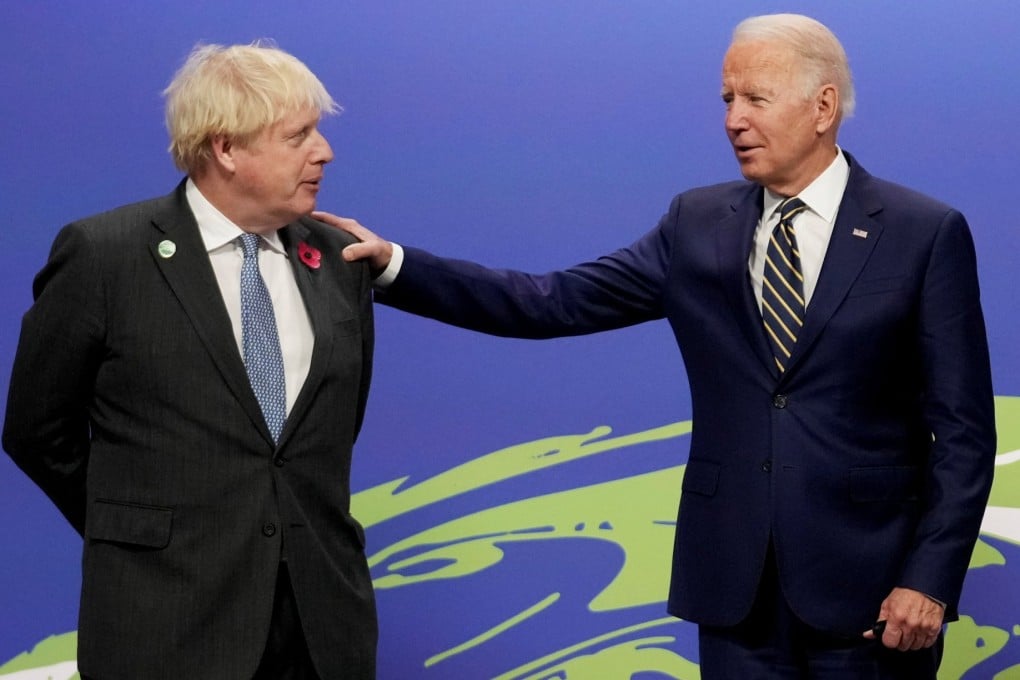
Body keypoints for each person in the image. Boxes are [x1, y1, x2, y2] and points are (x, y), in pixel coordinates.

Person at [315, 13, 996, 679]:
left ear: (822, 107)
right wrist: (395, 265)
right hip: (735, 597)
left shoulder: (921, 233)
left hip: (872, 598)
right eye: (727, 99)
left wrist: (930, 581)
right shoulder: (697, 224)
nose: (733, 120)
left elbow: (964, 434)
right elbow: (550, 300)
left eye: (756, 99)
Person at [3, 43, 376, 679]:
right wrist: (142, 533)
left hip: (320, 632)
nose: (324, 152)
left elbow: (329, 432)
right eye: (298, 137)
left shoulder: (340, 259)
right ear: (225, 148)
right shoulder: (106, 256)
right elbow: (37, 431)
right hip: (165, 624)